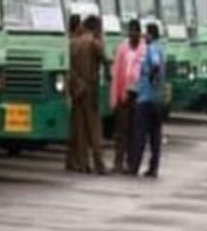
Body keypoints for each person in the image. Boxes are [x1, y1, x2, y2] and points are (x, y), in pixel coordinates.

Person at [69, 15, 107, 173]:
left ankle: (82, 164)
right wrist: (100, 38)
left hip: (77, 89)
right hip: (91, 89)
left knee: (80, 129)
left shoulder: (73, 42)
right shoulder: (93, 42)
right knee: (95, 129)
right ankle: (99, 164)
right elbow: (104, 57)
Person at [128, 22, 166, 177]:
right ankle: (153, 167)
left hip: (146, 99)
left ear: (151, 34)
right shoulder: (161, 48)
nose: (144, 37)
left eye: (146, 34)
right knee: (155, 136)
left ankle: (134, 166)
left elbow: (155, 64)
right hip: (158, 100)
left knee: (139, 134)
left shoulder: (152, 49)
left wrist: (152, 78)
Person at [110, 19, 145, 173]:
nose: (132, 35)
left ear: (139, 33)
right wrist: (116, 95)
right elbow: (116, 72)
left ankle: (131, 163)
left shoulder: (145, 49)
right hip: (123, 95)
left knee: (134, 131)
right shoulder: (122, 48)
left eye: (135, 32)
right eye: (130, 32)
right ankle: (118, 162)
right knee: (121, 131)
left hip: (138, 96)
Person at [64, 13, 84, 171]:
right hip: (75, 90)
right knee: (76, 128)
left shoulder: (67, 41)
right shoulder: (75, 43)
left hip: (71, 89)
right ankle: (74, 161)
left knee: (74, 128)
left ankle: (71, 160)